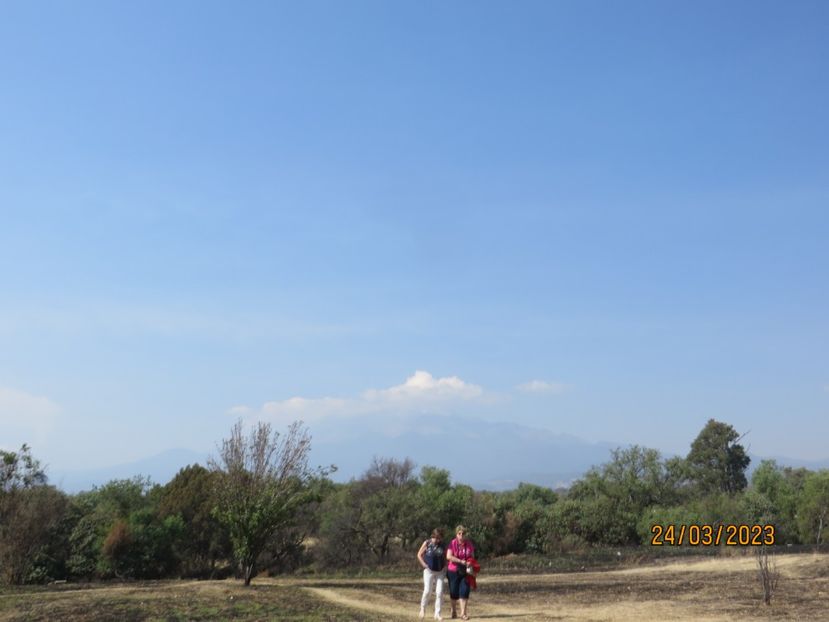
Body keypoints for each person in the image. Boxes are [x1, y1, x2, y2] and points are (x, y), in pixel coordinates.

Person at [446, 525, 475, 620]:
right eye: (459, 533)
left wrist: (470, 563)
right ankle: (453, 611)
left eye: (463, 533)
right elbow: (448, 556)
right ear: (456, 534)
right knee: (454, 592)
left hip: (466, 571)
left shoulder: (469, 544)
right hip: (453, 570)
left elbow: (472, 557)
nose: (461, 535)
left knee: (465, 591)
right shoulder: (452, 543)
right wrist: (460, 561)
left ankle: (463, 613)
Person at [417, 528, 446, 620]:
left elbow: (446, 556)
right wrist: (424, 564)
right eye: (435, 538)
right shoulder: (427, 543)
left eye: (439, 538)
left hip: (440, 571)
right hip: (428, 571)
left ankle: (437, 613)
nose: (437, 540)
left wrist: (446, 565)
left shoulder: (443, 545)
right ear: (432, 536)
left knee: (439, 592)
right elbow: (419, 554)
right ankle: (422, 609)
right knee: (427, 591)